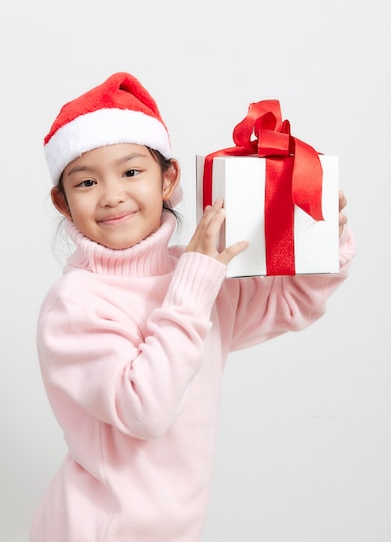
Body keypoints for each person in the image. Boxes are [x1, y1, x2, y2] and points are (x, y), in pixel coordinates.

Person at [30, 72, 355, 542]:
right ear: (63, 203)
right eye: (85, 182)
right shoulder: (74, 304)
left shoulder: (194, 275)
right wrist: (197, 279)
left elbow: (291, 304)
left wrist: (319, 239)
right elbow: (146, 410)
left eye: (131, 171)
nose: (112, 194)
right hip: (97, 531)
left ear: (169, 179)